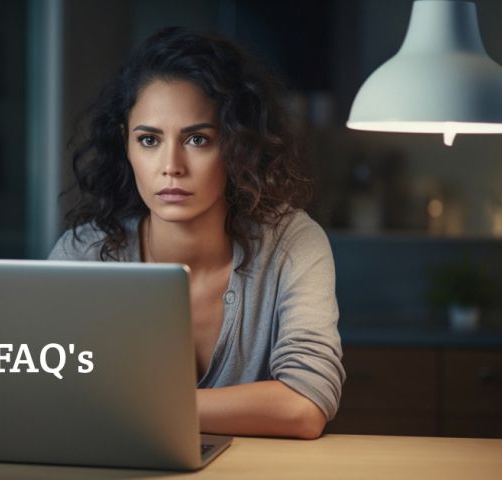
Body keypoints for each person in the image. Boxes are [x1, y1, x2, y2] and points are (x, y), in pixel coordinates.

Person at [48, 27, 345, 439]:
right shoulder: (83, 254)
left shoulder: (291, 243)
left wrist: (132, 405)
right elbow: (46, 391)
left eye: (198, 139)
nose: (171, 165)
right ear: (126, 145)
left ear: (236, 144)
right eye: (149, 139)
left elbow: (306, 403)